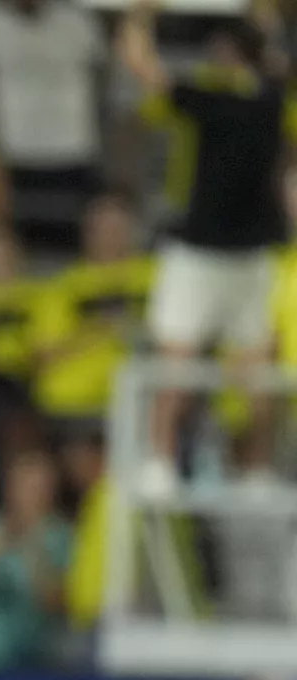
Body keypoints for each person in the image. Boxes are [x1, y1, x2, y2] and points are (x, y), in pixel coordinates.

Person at [118, 0, 289, 500]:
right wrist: (139, 16)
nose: (219, 60)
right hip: (196, 256)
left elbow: (276, 52)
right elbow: (141, 65)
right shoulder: (204, 100)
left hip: (250, 258)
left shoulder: (271, 99)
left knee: (258, 378)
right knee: (176, 366)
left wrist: (266, 18)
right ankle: (160, 461)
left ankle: (255, 472)